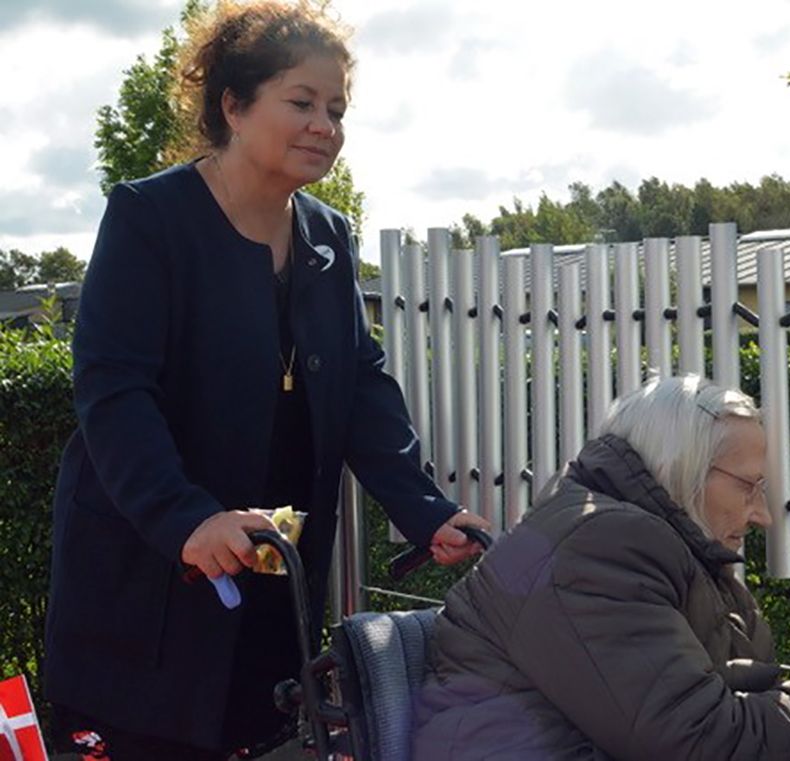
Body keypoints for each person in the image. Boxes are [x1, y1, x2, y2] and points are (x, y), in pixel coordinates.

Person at [43, 3, 489, 759]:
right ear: (234, 106)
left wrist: (424, 509)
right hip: (154, 587)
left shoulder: (328, 236)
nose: (326, 124)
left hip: (271, 586)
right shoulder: (148, 217)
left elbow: (361, 381)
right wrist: (187, 519)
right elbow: (113, 392)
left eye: (337, 109)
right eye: (302, 101)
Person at [414, 375, 790, 760]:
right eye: (748, 485)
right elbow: (699, 740)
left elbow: (730, 693)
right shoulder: (599, 546)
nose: (763, 514)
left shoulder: (626, 535)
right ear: (681, 469)